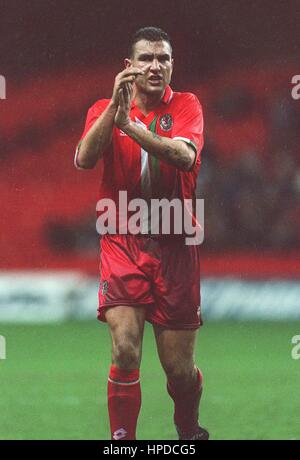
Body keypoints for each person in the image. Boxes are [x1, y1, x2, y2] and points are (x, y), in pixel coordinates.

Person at [74, 26, 208, 441]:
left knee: (179, 372)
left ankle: (187, 428)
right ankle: (122, 442)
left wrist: (131, 127)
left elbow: (184, 157)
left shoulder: (186, 105)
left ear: (172, 65)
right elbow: (84, 158)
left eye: (163, 58)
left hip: (175, 244)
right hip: (122, 239)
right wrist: (116, 110)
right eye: (146, 59)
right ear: (129, 67)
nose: (156, 66)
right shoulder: (103, 108)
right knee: (126, 349)